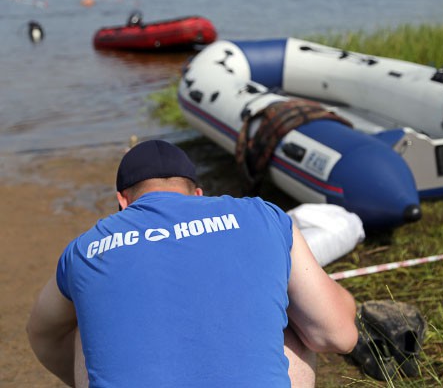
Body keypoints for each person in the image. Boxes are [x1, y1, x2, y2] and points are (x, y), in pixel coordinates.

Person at [27, 139, 358, 387]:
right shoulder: (260, 214)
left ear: (122, 202)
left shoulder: (85, 248)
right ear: (198, 194)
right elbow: (339, 336)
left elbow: (41, 334)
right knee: (283, 313)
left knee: (85, 325)